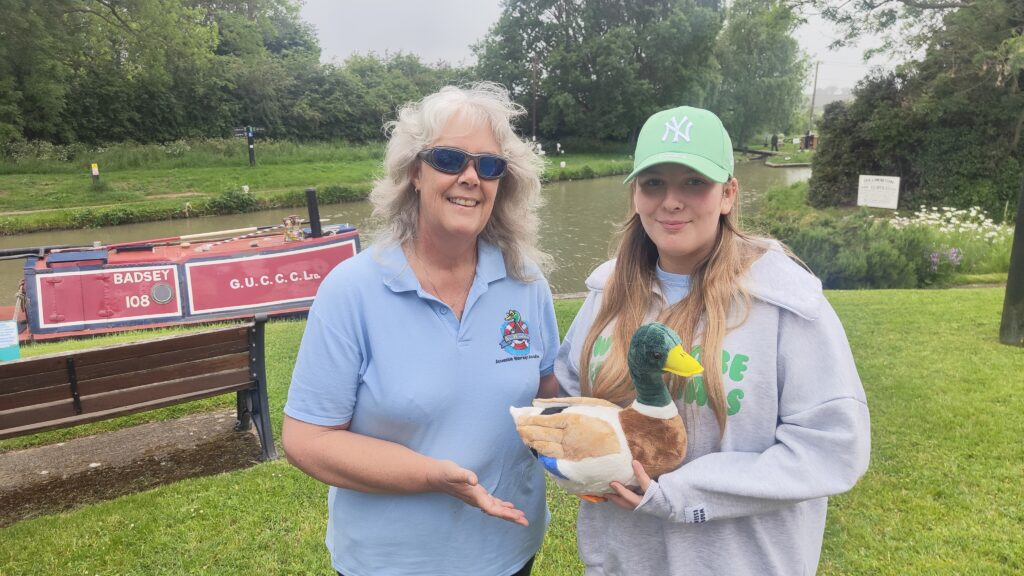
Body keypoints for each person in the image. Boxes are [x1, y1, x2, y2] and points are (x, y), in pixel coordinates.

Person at [554, 105, 870, 575]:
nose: (672, 201)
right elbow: (569, 396)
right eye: (654, 182)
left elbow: (832, 448)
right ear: (636, 194)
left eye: (694, 182)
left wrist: (676, 494)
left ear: (728, 193)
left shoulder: (787, 304)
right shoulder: (606, 294)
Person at [283, 83, 560, 576]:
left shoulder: (526, 281)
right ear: (414, 171)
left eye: (488, 164)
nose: (471, 177)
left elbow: (545, 395)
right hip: (392, 563)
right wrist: (431, 475)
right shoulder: (351, 290)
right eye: (450, 159)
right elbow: (307, 439)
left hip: (509, 550)